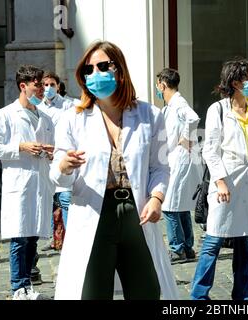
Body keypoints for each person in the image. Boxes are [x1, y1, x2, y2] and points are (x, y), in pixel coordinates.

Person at [49, 40, 178, 300]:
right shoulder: (73, 118)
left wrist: (156, 198)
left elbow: (160, 167)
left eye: (103, 66)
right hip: (94, 213)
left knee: (147, 290)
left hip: (136, 213)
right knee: (91, 293)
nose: (95, 74)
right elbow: (57, 173)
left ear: (119, 70)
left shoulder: (149, 115)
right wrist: (63, 166)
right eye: (89, 70)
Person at [190, 57, 248, 300]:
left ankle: (243, 295)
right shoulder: (218, 110)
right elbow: (210, 149)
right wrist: (219, 181)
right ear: (236, 82)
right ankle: (198, 296)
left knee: (243, 243)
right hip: (226, 181)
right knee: (213, 240)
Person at [0, 65, 55, 300]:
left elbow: (53, 147)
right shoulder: (5, 114)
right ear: (23, 86)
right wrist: (21, 147)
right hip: (20, 184)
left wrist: (51, 152)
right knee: (19, 237)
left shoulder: (45, 117)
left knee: (33, 236)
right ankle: (18, 287)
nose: (42, 90)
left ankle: (28, 286)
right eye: (37, 85)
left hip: (40, 183)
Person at [156, 68, 202, 264]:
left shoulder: (178, 104)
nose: (157, 88)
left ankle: (177, 248)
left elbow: (193, 118)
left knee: (169, 205)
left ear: (163, 85)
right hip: (177, 158)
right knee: (180, 204)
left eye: (158, 85)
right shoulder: (170, 106)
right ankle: (188, 247)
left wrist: (186, 137)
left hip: (180, 158)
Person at [38, 71, 75, 252]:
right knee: (50, 202)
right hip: (45, 159)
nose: (48, 88)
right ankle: (55, 238)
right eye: (45, 85)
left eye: (52, 84)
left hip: (62, 157)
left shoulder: (68, 105)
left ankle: (71, 240)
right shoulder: (38, 107)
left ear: (58, 86)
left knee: (66, 199)